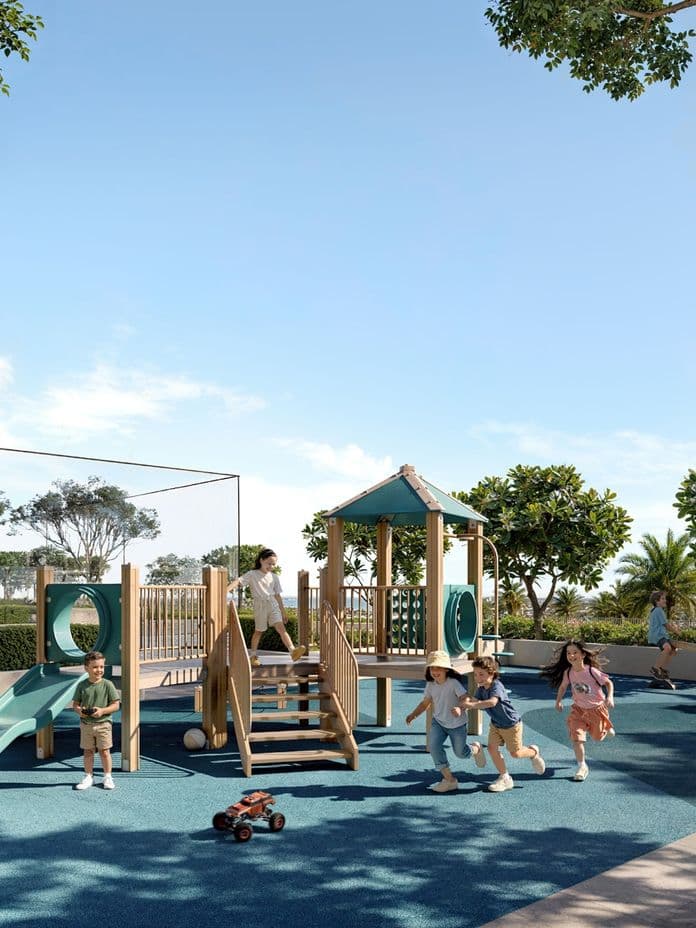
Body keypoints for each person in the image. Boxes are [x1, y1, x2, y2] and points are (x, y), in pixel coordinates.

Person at [460, 655, 546, 792]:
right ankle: (504, 777)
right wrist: (465, 702)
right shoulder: (481, 688)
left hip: (511, 724)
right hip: (496, 725)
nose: (478, 678)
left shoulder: (496, 686)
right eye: (475, 674)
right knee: (492, 748)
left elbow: (492, 702)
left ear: (492, 673)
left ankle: (533, 752)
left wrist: (472, 705)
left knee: (515, 753)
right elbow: (474, 699)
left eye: (481, 674)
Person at [405, 650, 486, 792]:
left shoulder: (453, 683)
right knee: (434, 747)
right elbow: (425, 703)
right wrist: (413, 714)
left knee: (461, 754)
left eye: (438, 668)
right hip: (439, 722)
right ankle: (450, 780)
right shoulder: (431, 685)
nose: (435, 671)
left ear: (446, 669)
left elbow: (465, 697)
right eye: (432, 668)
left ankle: (476, 748)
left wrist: (460, 709)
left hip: (457, 725)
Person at [540, 640, 614, 782]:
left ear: (583, 655)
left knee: (597, 737)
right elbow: (562, 687)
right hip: (578, 710)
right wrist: (558, 701)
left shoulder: (592, 671)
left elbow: (609, 683)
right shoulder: (568, 672)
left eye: (575, 652)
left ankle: (606, 726)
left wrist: (610, 697)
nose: (571, 655)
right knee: (577, 738)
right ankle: (582, 766)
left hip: (596, 709)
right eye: (568, 653)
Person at [227, 547, 305, 667]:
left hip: (272, 604)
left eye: (273, 564)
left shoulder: (274, 577)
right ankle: (253, 656)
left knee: (281, 628)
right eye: (269, 563)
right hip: (260, 605)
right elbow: (238, 581)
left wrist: (283, 612)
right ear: (261, 560)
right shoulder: (252, 574)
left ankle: (292, 651)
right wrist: (226, 590)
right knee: (259, 631)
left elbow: (278, 595)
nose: (271, 566)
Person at [71, 650, 120, 791]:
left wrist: (102, 711)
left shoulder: (107, 684)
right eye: (95, 667)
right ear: (86, 668)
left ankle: (108, 776)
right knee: (88, 751)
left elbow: (116, 705)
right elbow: (75, 705)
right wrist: (80, 711)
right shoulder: (82, 685)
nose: (99, 670)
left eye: (101, 667)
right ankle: (88, 777)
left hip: (104, 724)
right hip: (86, 725)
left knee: (105, 751)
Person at [647, 590, 678, 681]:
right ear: (657, 601)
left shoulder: (657, 610)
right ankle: (655, 668)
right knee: (667, 648)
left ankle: (661, 668)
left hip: (662, 635)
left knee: (673, 651)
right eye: (663, 599)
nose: (665, 600)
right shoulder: (658, 610)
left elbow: (665, 623)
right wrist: (676, 631)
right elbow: (666, 625)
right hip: (658, 635)